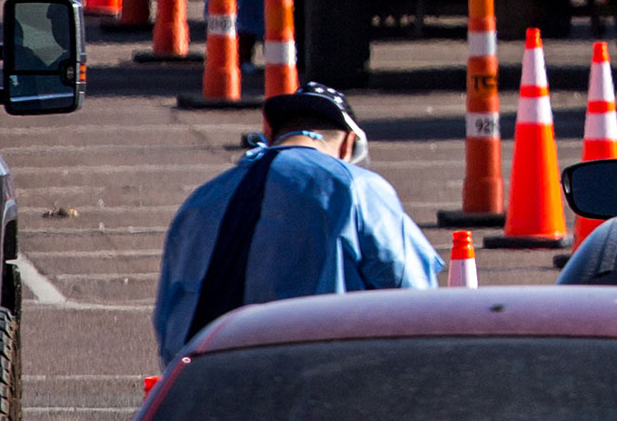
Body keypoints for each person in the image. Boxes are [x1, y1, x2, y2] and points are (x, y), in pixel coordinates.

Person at [154, 83, 443, 362]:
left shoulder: (203, 199)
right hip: (317, 373)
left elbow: (169, 313)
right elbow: (412, 292)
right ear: (349, 144)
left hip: (208, 378)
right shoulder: (355, 186)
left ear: (270, 133)